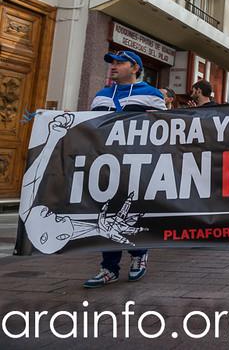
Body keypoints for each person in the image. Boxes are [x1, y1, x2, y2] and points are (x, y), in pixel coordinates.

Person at [84, 50, 166, 288]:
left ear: (135, 68)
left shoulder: (150, 95)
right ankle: (108, 268)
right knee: (105, 214)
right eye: (112, 62)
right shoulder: (101, 96)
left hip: (136, 164)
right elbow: (90, 127)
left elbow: (163, 129)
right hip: (105, 164)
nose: (114, 66)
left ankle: (139, 254)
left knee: (131, 212)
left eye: (120, 63)